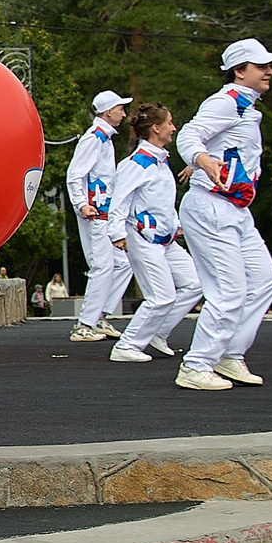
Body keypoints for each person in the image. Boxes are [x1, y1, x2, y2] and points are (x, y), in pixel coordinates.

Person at [174, 39, 272, 392]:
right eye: (261, 66)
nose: (269, 71)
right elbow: (190, 133)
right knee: (228, 290)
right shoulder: (226, 102)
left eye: (270, 65)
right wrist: (201, 159)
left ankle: (229, 353)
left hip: (235, 209)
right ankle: (196, 364)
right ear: (239, 71)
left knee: (266, 280)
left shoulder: (246, 107)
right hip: (210, 207)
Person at [110, 101, 201, 363]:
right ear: (156, 128)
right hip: (143, 238)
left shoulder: (159, 162)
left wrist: (174, 224)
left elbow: (160, 200)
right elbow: (121, 201)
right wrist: (117, 234)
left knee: (194, 282)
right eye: (170, 123)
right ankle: (127, 345)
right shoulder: (136, 163)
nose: (174, 128)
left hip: (165, 239)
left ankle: (157, 332)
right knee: (161, 296)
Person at [64, 90, 132, 343]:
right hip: (95, 211)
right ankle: (84, 324)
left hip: (104, 210)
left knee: (123, 263)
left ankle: (100, 315)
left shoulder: (104, 139)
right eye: (120, 109)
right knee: (102, 265)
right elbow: (75, 174)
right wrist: (81, 204)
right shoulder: (94, 138)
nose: (123, 114)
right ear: (108, 112)